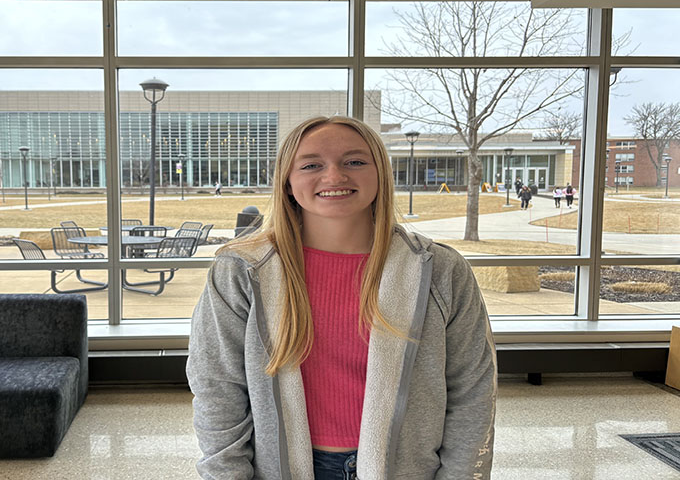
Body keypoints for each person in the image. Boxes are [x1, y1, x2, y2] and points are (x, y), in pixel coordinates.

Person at [186, 116, 496, 480]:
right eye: (312, 165)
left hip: (408, 469)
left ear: (380, 173)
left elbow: (472, 392)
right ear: (287, 181)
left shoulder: (440, 270)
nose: (334, 176)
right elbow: (218, 390)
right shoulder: (242, 270)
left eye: (355, 162)